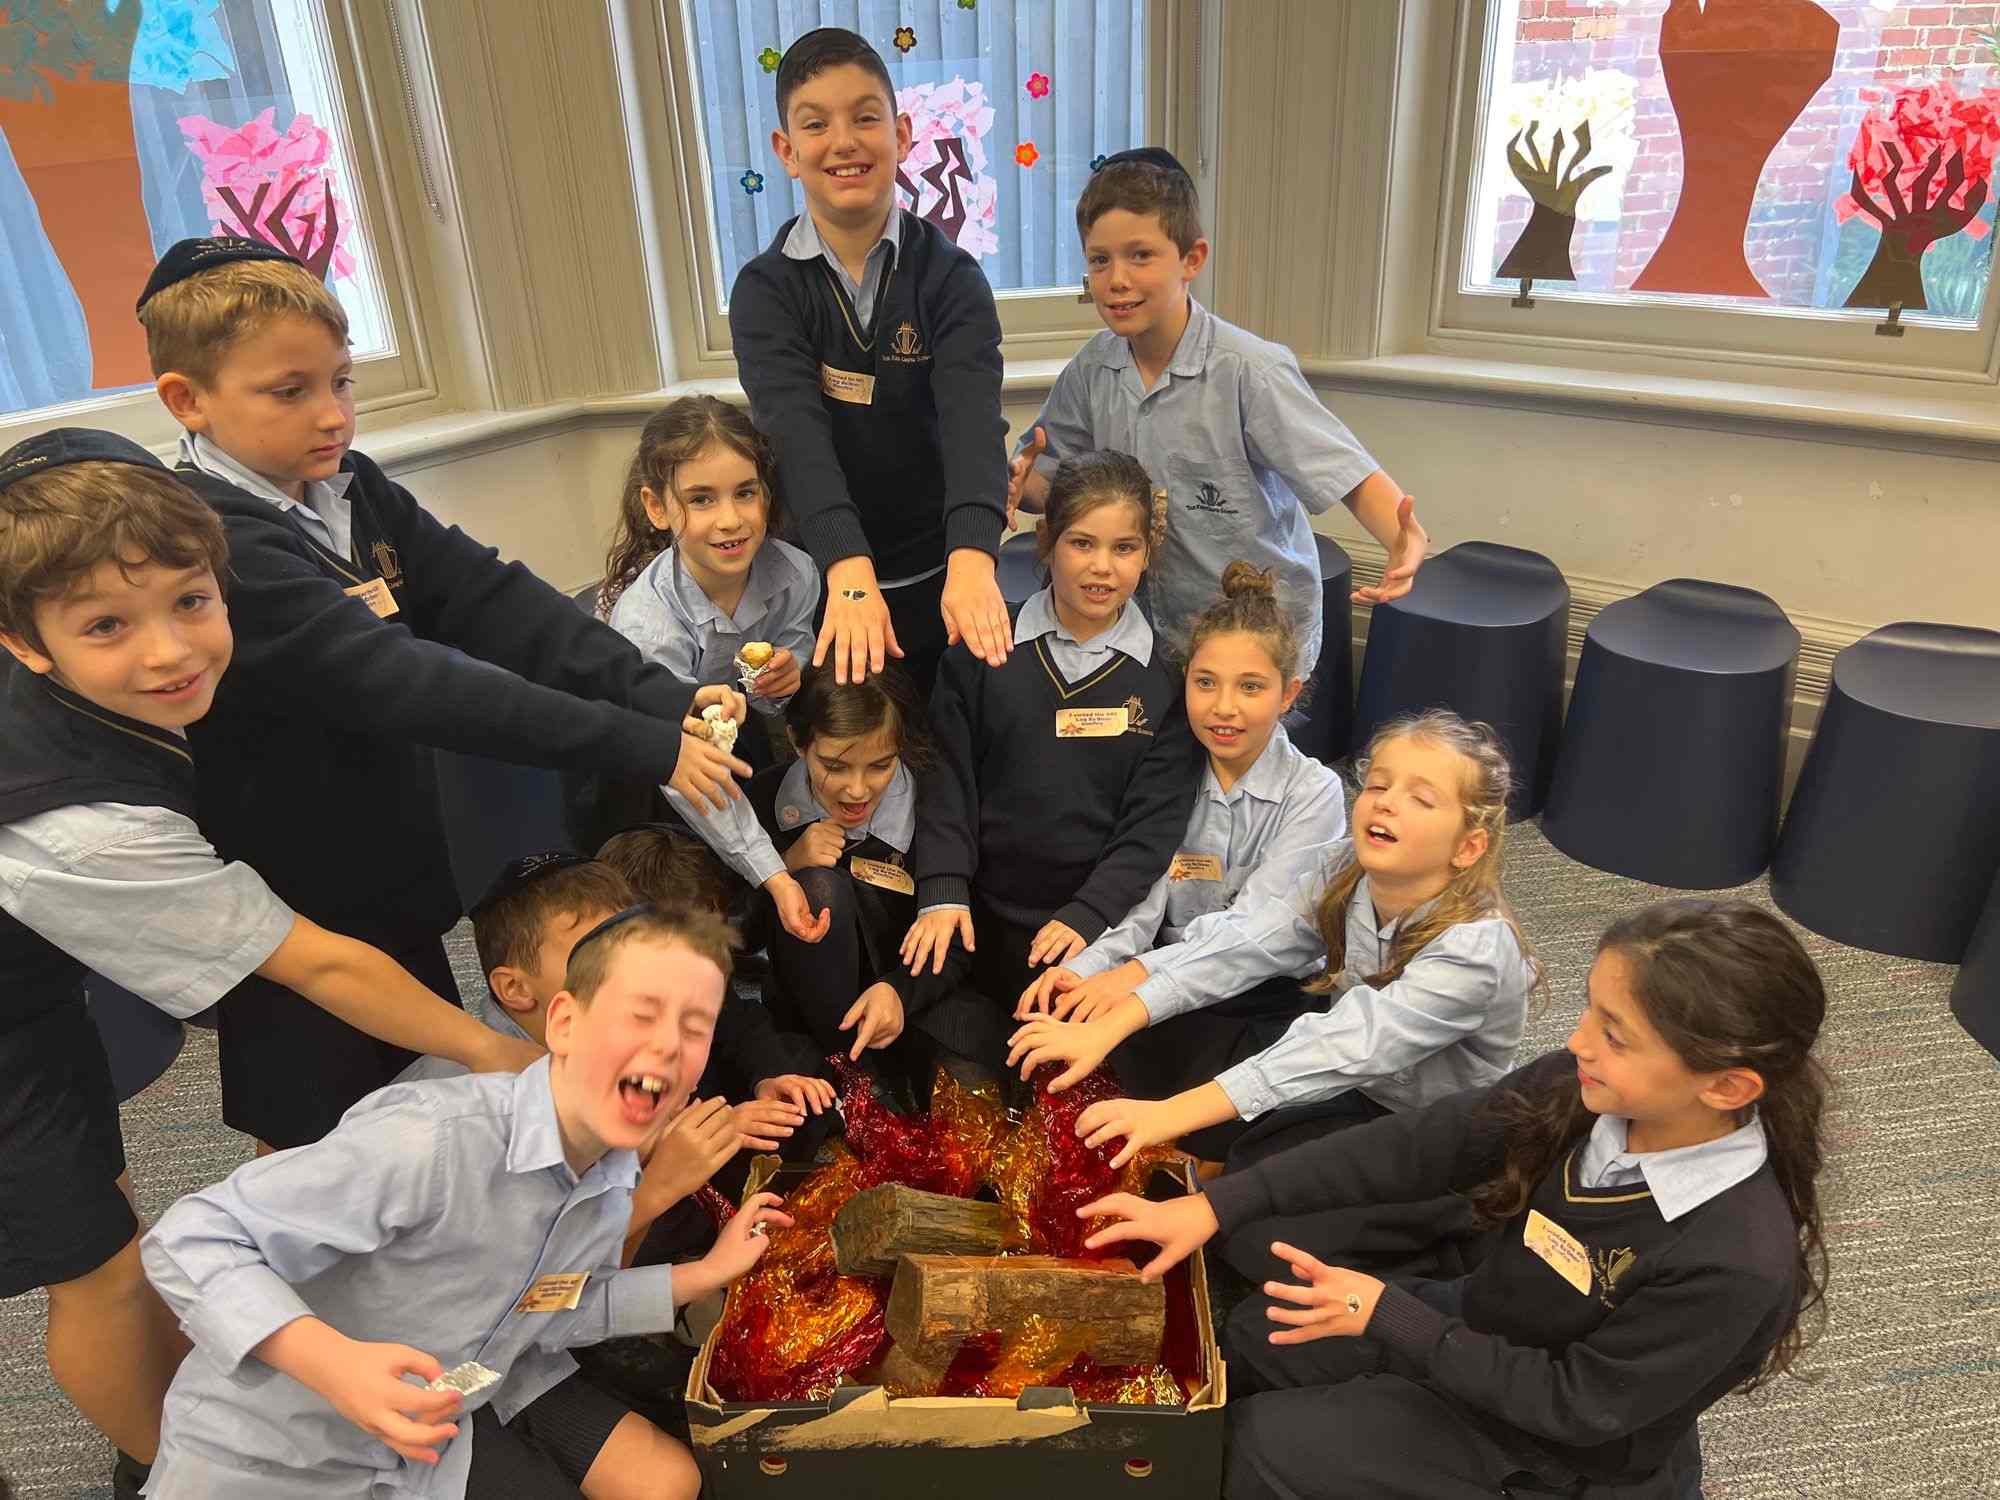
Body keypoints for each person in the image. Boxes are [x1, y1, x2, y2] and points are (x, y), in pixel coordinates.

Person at [0, 431, 534, 1496]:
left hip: (32, 997)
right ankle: (190, 1474)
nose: (169, 653)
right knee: (94, 1270)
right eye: (108, 626)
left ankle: (177, 1426)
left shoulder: (83, 682)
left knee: (106, 1215)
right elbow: (316, 966)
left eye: (191, 602)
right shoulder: (86, 829)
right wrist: (493, 1051)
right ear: (26, 644)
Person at [136, 236, 748, 1152]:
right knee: (316, 1142)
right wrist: (642, 743)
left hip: (387, 865)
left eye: (342, 381)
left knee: (412, 1110)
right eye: (290, 391)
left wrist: (662, 697)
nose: (332, 414)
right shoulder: (215, 538)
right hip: (291, 899)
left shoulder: (349, 487)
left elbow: (497, 601)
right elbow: (409, 683)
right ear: (188, 400)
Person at [1080, 899, 1830, 1500]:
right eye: (1590, 1012)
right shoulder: (1584, 1089)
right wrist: (1218, 1205)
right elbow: (1418, 1147)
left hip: (1553, 1447)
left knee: (1260, 1446)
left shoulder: (1734, 1262)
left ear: (1726, 1087)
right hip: (1484, 1323)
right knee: (1253, 1334)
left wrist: (1392, 1317)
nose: (1578, 1042)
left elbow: (1574, 1406)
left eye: (1616, 1035)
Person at [140, 904, 793, 1500]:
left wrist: (704, 1274)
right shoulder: (433, 1138)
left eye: (695, 1028)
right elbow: (192, 1235)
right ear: (564, 1022)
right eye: (640, 1015)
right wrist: (331, 1362)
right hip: (271, 1459)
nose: (668, 1049)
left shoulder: (609, 1174)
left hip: (431, 1441)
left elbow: (548, 1307)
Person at [1019, 711, 1535, 1188]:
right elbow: (1246, 941)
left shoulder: (1476, 951)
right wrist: (1116, 1018)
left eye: (1420, 799)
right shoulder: (1343, 868)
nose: (1386, 802)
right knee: (1182, 1060)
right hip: (1350, 1087)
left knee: (1258, 1211)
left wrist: (1169, 1115)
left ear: (1468, 847)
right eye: (1378, 784)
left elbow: (1346, 1046)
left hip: (1427, 1126)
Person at [1007, 147, 1428, 670]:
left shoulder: (1251, 370)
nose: (1116, 279)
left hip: (1252, 641)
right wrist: (1014, 486)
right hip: (1147, 636)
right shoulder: (1092, 369)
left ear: (1192, 259)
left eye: (1140, 255)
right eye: (1099, 260)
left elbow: (1348, 475)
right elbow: (1047, 482)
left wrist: (1403, 538)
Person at [730, 26, 1012, 692]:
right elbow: (796, 437)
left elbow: (973, 424)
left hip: (944, 575)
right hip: (827, 584)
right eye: (815, 124)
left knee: (954, 740)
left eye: (865, 118)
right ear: (787, 151)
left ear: (902, 134)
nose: (844, 141)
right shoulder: (766, 291)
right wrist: (848, 570)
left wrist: (974, 555)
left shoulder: (952, 278)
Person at [900, 450, 1200, 1075]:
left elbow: (1151, 828)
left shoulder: (1167, 681)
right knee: (956, 1077)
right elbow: (945, 778)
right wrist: (943, 889)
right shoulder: (983, 652)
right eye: (1081, 543)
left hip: (1091, 938)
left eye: (1124, 548)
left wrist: (1088, 916)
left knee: (1079, 1094)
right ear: (1046, 542)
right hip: (975, 920)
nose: (1102, 566)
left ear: (1148, 553)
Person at [1005, 561, 1346, 1102]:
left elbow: (1256, 937)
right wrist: (1088, 968)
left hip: (1264, 997)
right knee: (1048, 1049)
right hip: (1163, 983)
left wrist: (1132, 979)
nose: (1224, 708)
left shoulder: (1314, 793)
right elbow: (1141, 898)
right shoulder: (1169, 774)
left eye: (1251, 687)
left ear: (1288, 693)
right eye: (1205, 683)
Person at [595, 396, 819, 765]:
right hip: (649, 750)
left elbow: (783, 666)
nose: (730, 520)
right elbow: (673, 753)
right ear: (657, 507)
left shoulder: (797, 574)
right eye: (701, 499)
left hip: (732, 724)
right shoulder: (646, 628)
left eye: (745, 492)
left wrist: (783, 675)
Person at [741, 663, 928, 1080]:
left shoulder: (933, 804)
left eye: (879, 766)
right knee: (817, 889)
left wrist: (901, 990)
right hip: (808, 1017)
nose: (857, 790)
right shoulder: (763, 800)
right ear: (797, 742)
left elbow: (960, 928)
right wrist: (780, 868)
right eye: (835, 766)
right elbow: (737, 937)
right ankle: (846, 1075)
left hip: (913, 994)